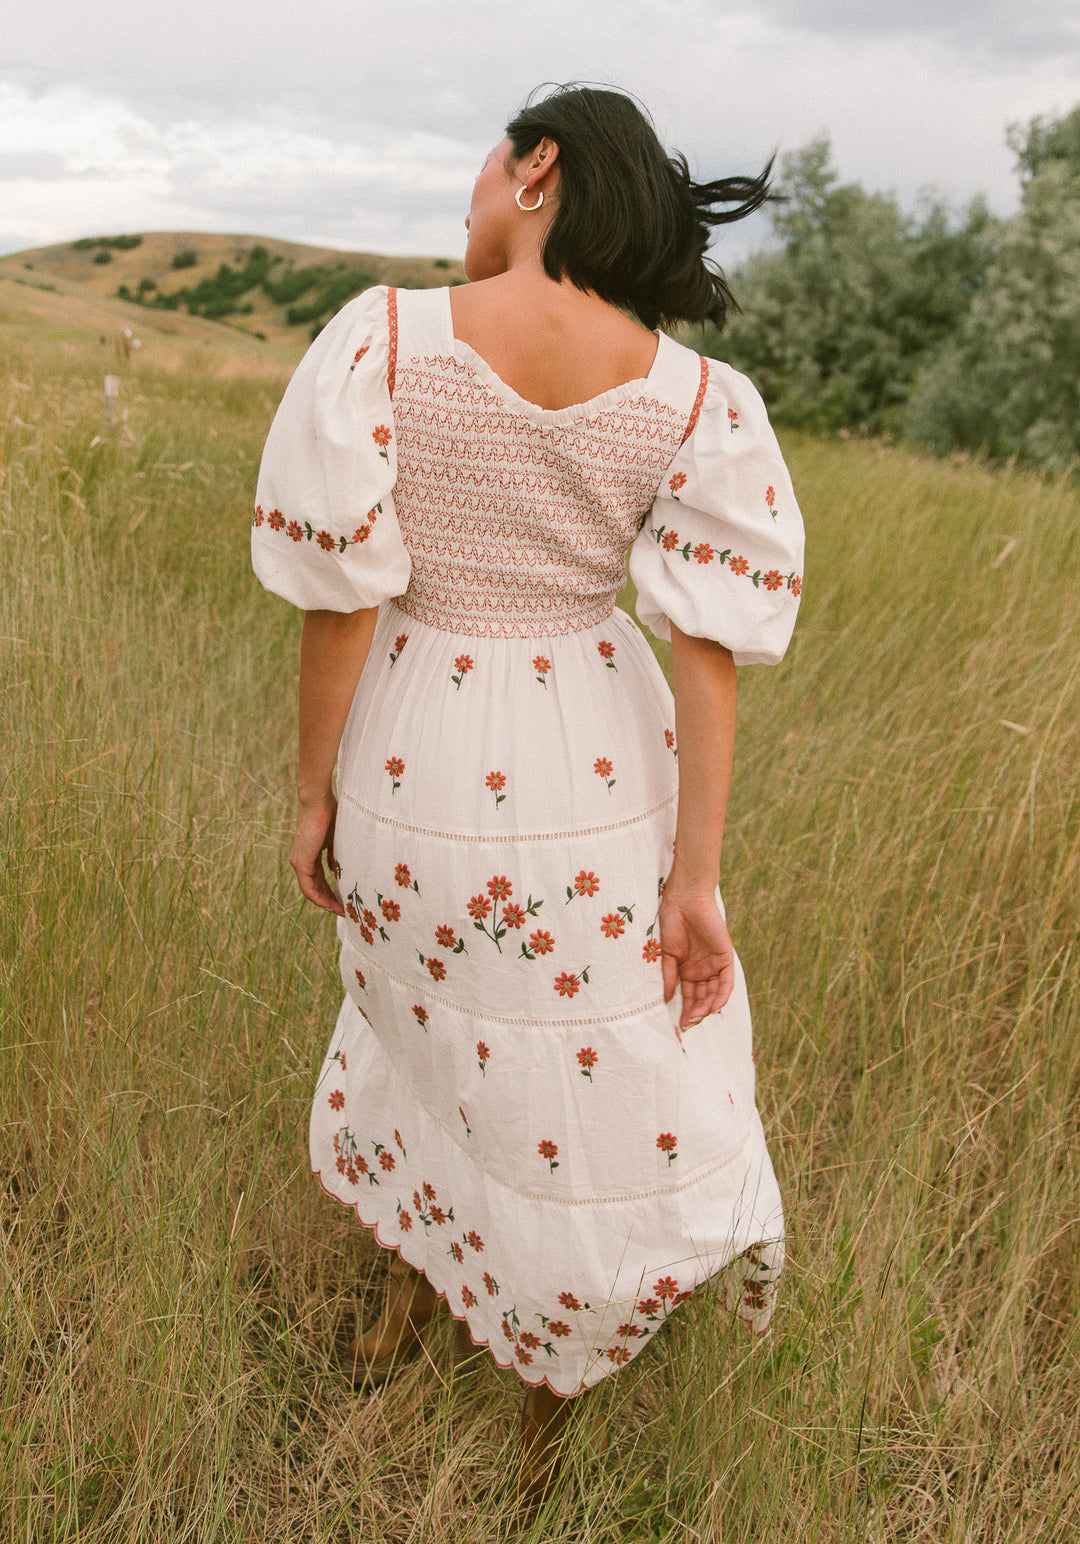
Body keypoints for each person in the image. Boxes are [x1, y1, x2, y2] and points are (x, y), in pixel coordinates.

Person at [252, 84, 804, 1502]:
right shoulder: (694, 394)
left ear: (538, 166)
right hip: (595, 761)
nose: (468, 192)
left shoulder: (381, 341)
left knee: (419, 1027)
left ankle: (405, 1304)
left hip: (414, 742)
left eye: (485, 162)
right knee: (580, 1064)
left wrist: (311, 793)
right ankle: (544, 1403)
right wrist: (694, 882)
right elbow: (709, 662)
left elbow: (339, 607)